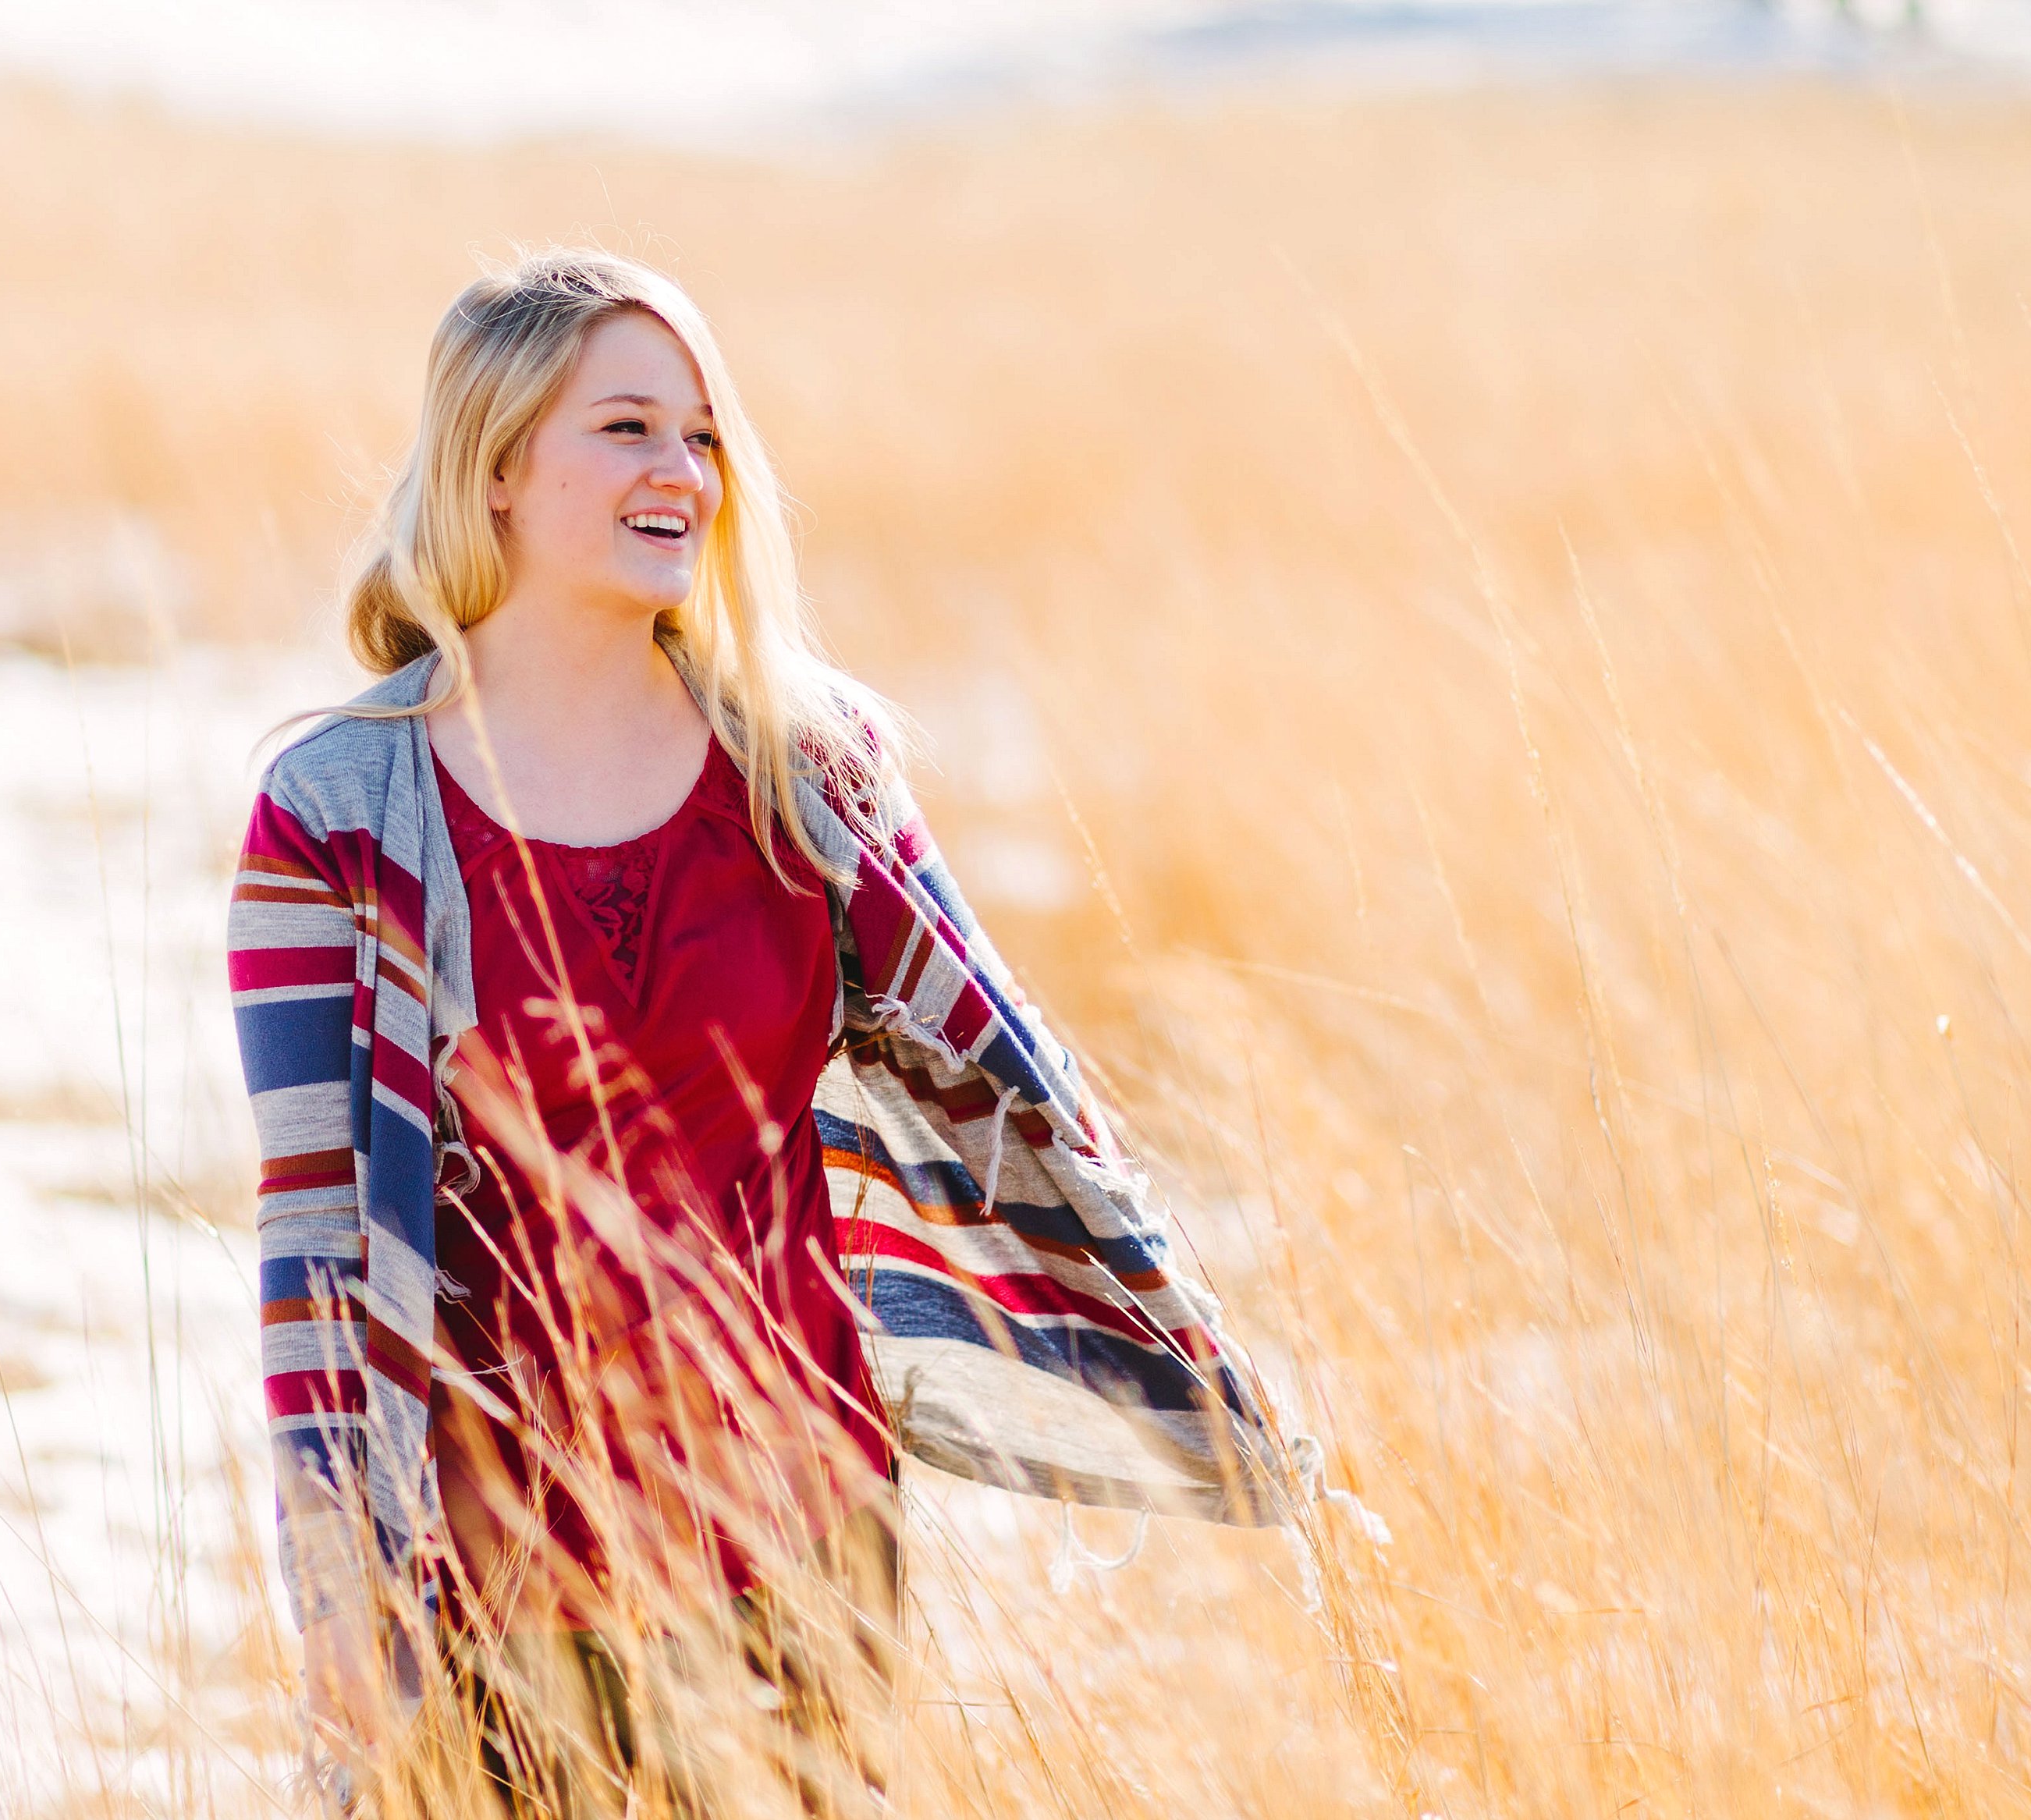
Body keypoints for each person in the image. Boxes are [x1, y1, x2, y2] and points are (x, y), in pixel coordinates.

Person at [226, 248, 1295, 1815]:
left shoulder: (811, 771)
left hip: (799, 1539)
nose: (684, 473)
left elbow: (1009, 1082)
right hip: (501, 1578)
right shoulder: (338, 810)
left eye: (705, 435)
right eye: (629, 430)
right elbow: (317, 1233)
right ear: (501, 467)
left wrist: (1173, 1352)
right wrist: (340, 1593)